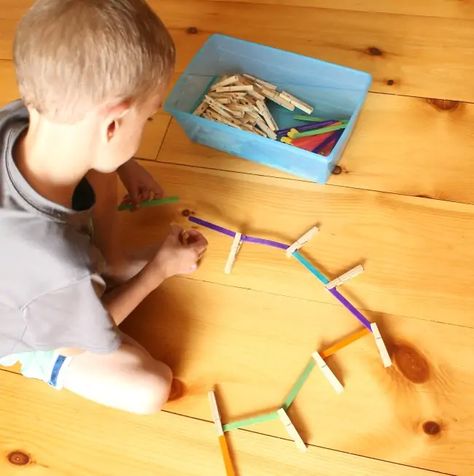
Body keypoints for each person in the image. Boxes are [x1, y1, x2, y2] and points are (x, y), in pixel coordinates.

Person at [0, 0, 208, 415]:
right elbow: (90, 333)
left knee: (97, 168)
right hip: (29, 321)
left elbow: (90, 139)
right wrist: (158, 271)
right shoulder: (58, 265)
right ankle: (40, 360)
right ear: (112, 125)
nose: (149, 126)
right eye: (148, 120)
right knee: (150, 387)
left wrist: (126, 166)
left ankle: (111, 262)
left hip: (30, 278)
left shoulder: (20, 116)